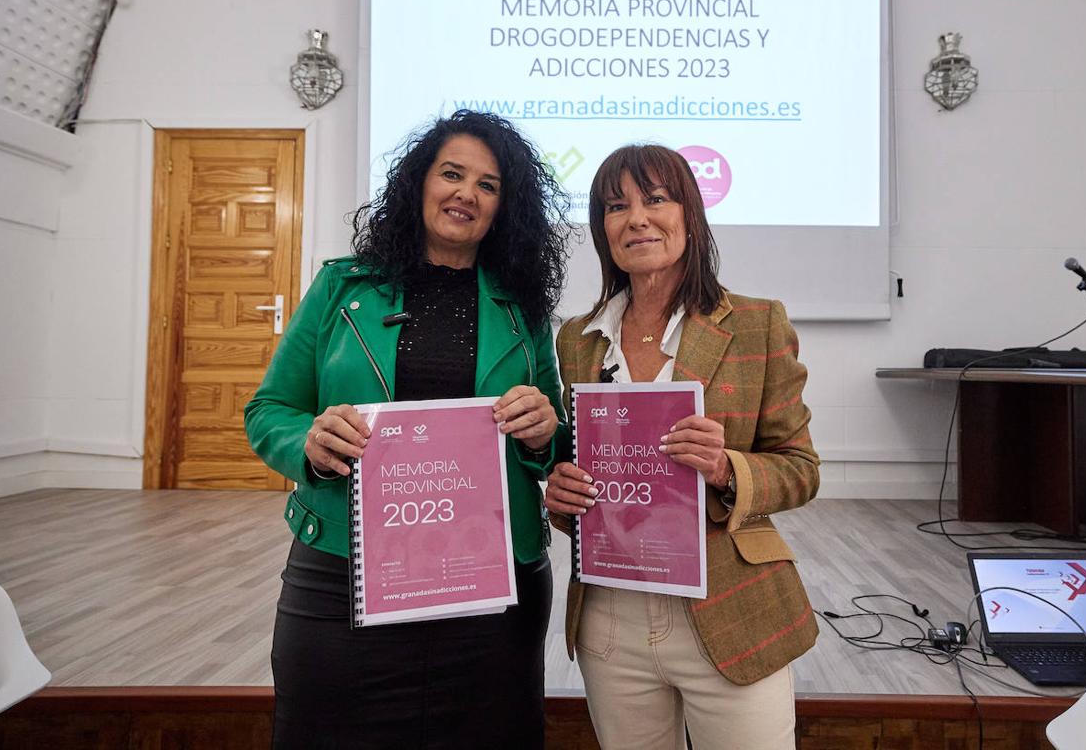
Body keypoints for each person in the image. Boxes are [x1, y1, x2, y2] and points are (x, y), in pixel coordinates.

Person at [244, 110, 569, 749]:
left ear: (505, 208)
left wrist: (542, 432)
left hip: (492, 585)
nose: (466, 194)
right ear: (418, 182)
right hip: (343, 573)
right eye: (452, 173)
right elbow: (270, 411)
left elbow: (553, 441)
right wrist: (308, 442)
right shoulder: (342, 287)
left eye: (489, 185)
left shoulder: (522, 307)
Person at [545, 144, 821, 750]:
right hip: (610, 618)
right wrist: (560, 496)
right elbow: (575, 471)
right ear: (603, 231)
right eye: (617, 207)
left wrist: (727, 467)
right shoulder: (577, 341)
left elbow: (800, 469)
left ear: (690, 217)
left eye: (656, 199)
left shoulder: (757, 323)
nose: (637, 218)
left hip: (730, 612)